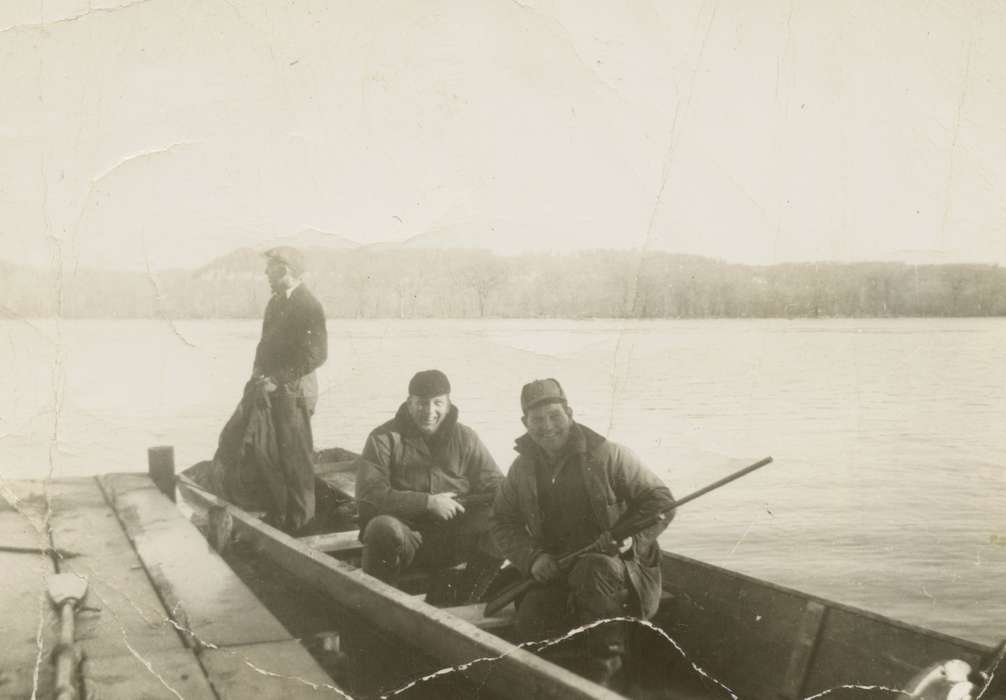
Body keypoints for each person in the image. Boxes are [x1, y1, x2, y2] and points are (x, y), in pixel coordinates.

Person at [490, 378, 675, 686]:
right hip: (557, 570)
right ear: (525, 423)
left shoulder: (610, 455)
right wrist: (533, 559)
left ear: (570, 414)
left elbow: (661, 501)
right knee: (531, 621)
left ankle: (606, 677)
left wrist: (631, 539)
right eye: (537, 419)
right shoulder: (521, 468)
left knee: (594, 569)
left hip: (622, 571)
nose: (547, 426)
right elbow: (501, 521)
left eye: (554, 416)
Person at [356, 370, 504, 585]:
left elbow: (495, 484)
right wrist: (428, 503)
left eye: (437, 403)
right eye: (422, 403)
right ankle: (379, 599)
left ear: (448, 403)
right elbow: (370, 494)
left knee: (503, 520)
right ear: (409, 403)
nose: (429, 411)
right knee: (381, 528)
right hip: (407, 540)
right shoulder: (383, 438)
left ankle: (468, 592)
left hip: (455, 538)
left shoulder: (466, 438)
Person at [250, 246, 327, 533]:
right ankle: (284, 517)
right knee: (270, 454)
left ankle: (303, 525)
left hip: (294, 393)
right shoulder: (275, 303)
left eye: (270, 268)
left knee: (296, 460)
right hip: (271, 390)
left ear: (285, 270)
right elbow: (264, 345)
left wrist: (278, 380)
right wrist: (257, 375)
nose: (265, 273)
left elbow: (316, 355)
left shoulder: (308, 305)